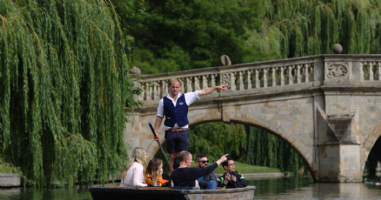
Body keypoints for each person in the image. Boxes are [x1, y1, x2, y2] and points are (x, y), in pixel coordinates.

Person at [153, 78, 228, 172]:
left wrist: (217, 87)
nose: (175, 89)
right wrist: (155, 131)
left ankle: (184, 176)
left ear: (180, 87)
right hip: (170, 132)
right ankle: (174, 177)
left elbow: (202, 92)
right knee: (172, 156)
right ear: (169, 87)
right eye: (173, 87)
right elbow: (159, 116)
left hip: (182, 132)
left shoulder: (186, 97)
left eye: (177, 87)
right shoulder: (163, 101)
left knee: (184, 156)